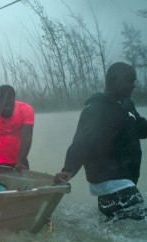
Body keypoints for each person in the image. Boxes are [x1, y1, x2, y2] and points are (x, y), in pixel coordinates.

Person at [54, 62, 147, 221]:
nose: (133, 86)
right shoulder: (96, 109)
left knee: (123, 233)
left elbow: (139, 128)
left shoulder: (126, 105)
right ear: (114, 81)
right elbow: (82, 142)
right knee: (140, 232)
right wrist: (68, 169)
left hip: (122, 182)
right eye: (130, 81)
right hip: (112, 181)